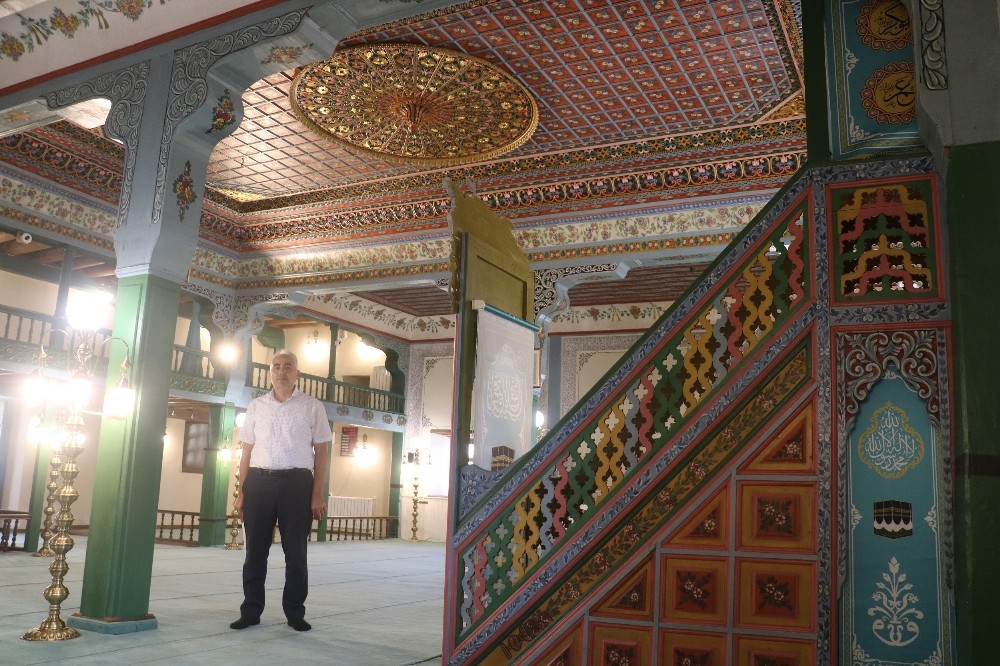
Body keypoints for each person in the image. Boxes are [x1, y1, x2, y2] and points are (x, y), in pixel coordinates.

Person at [230, 350, 331, 632]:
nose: (281, 371)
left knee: (295, 553)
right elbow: (246, 452)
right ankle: (251, 611)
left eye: (287, 366)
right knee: (254, 553)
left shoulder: (313, 407)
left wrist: (317, 493)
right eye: (276, 366)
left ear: (297, 373)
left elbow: (322, 453)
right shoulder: (256, 406)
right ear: (270, 373)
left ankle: (295, 613)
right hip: (258, 483)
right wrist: (241, 492)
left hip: (297, 484)